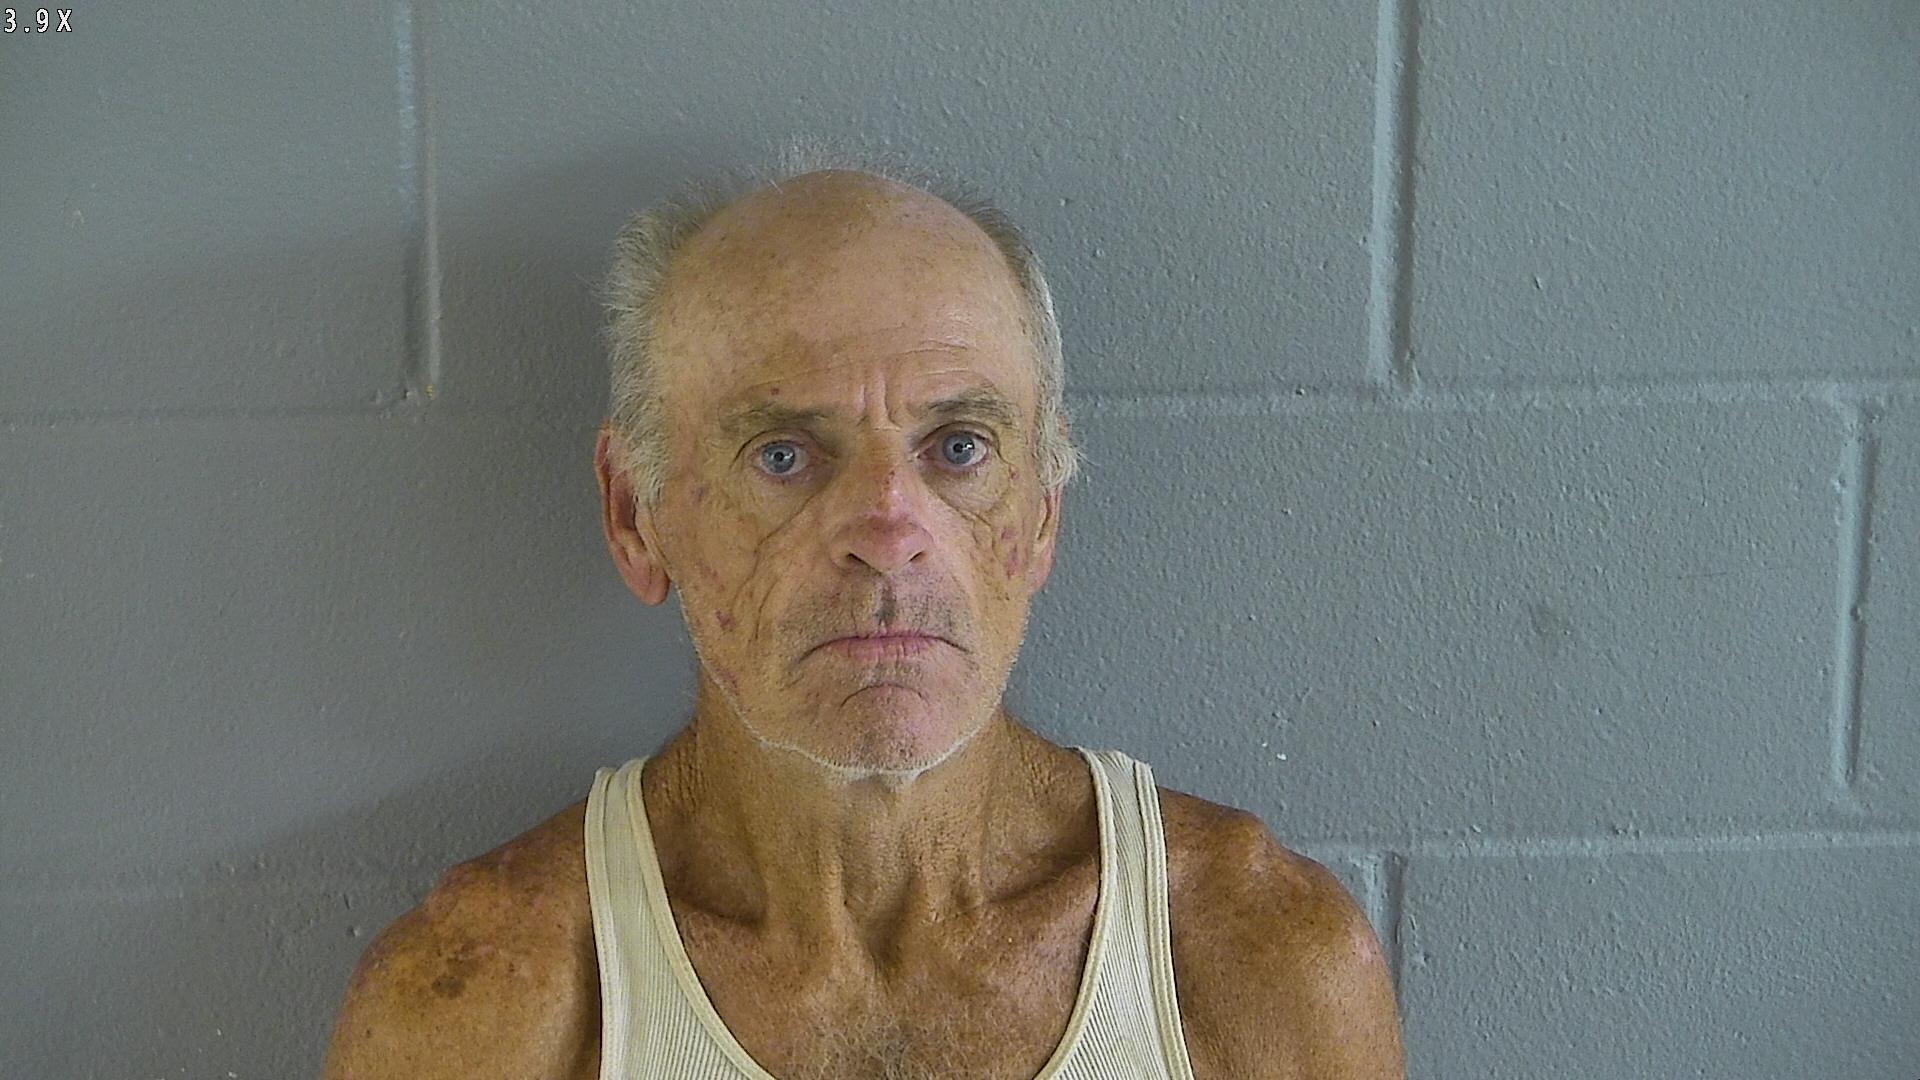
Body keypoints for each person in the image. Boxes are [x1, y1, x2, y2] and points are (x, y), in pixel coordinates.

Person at [320, 138, 1404, 1080]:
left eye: (959, 448)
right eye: (783, 456)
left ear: (1041, 512)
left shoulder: (1254, 962)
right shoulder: (482, 998)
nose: (889, 530)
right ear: (633, 515)